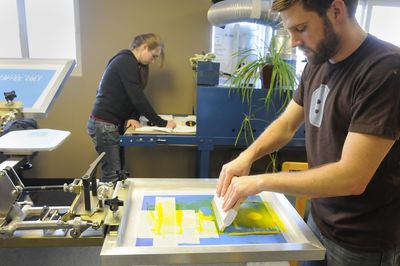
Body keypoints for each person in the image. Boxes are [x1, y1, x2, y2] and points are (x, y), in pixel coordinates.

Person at [217, 0, 400, 265]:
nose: (293, 42)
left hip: (362, 241)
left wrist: (261, 182)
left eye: (301, 28)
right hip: (318, 221)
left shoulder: (384, 71)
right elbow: (287, 124)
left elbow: (352, 177)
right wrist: (247, 156)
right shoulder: (318, 60)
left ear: (336, 11)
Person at [87, 33, 176, 182]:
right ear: (144, 47)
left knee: (117, 171)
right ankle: (108, 205)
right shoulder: (125, 61)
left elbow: (131, 96)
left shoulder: (131, 63)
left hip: (108, 124)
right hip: (104, 125)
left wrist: (133, 117)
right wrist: (163, 123)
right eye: (154, 56)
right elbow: (138, 98)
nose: (153, 61)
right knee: (112, 175)